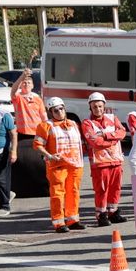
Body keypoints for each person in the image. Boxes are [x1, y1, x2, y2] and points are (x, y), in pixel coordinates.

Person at [33, 97, 86, 233]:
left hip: (75, 165)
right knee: (57, 194)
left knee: (73, 192)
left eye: (61, 109)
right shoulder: (45, 126)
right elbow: (38, 145)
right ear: (51, 112)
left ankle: (73, 220)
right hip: (57, 166)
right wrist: (49, 156)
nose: (59, 112)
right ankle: (59, 222)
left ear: (64, 108)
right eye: (55, 110)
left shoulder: (73, 124)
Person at [81, 92, 127, 226]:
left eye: (100, 106)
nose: (98, 109)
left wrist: (106, 136)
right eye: (95, 107)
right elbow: (95, 143)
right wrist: (114, 139)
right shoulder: (87, 123)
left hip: (116, 161)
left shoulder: (112, 118)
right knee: (101, 190)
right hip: (100, 164)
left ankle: (113, 212)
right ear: (90, 107)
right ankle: (101, 215)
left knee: (116, 188)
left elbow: (123, 132)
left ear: (104, 106)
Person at [0, 92, 17, 217]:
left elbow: (13, 134)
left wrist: (13, 151)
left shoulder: (4, 115)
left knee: (2, 180)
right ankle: (8, 193)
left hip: (1, 152)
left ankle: (4, 207)